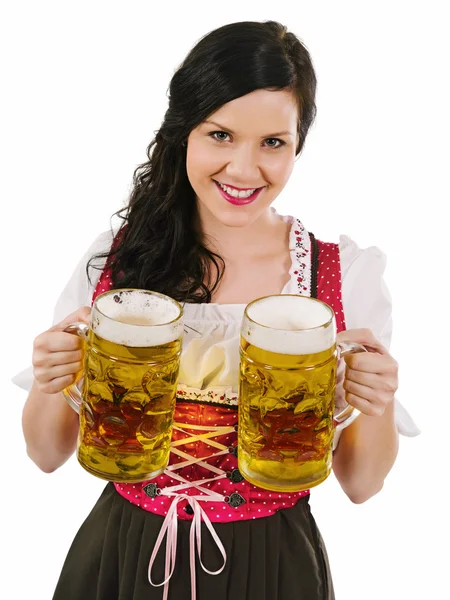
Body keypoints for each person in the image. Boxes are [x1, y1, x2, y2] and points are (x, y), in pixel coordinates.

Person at [15, 20, 419, 600]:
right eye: (221, 135)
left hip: (273, 564)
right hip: (124, 553)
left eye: (273, 143)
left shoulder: (341, 274)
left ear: (298, 146)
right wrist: (49, 380)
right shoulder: (118, 262)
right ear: (184, 133)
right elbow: (45, 453)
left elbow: (362, 483)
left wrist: (375, 400)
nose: (244, 169)